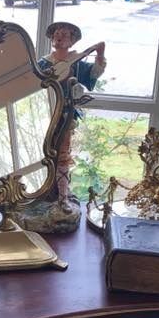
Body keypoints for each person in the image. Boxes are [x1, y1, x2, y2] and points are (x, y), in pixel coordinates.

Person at [38, 21, 106, 209]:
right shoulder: (43, 63)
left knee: (63, 154)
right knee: (44, 152)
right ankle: (45, 190)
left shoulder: (76, 63)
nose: (59, 37)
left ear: (72, 41)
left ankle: (62, 196)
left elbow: (93, 73)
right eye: (56, 34)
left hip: (66, 115)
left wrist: (99, 55)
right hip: (45, 114)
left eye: (65, 35)